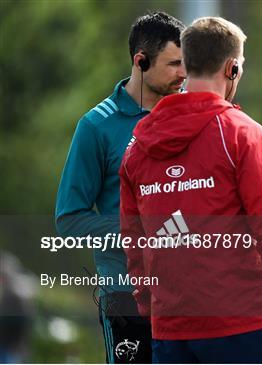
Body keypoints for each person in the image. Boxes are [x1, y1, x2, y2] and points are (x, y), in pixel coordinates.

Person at [119, 16, 262, 364]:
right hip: (243, 324)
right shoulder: (240, 133)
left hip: (172, 331)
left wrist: (149, 304)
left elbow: (134, 238)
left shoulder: (136, 148)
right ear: (231, 69)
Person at [55, 12, 186, 363]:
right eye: (174, 64)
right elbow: (69, 220)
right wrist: (141, 232)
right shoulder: (96, 126)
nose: (183, 74)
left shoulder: (191, 116)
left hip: (191, 294)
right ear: (140, 61)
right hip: (126, 298)